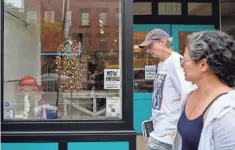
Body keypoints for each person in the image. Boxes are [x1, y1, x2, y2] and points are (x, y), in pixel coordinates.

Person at [176, 30, 235, 150]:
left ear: (203, 65)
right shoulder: (189, 95)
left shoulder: (228, 112)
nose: (181, 65)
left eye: (184, 60)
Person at [139, 28, 193, 150]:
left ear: (162, 42)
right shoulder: (162, 64)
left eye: (150, 45)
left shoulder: (176, 62)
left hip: (168, 131)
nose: (148, 50)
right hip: (160, 128)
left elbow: (187, 93)